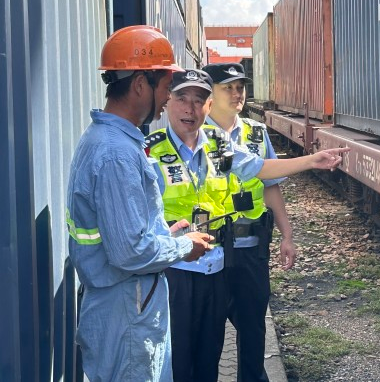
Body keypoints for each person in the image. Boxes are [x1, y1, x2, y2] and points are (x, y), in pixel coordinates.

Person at [66, 25, 214, 382]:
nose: (167, 100)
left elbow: (122, 231)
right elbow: (129, 252)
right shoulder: (116, 154)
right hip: (126, 313)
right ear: (138, 85)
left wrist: (161, 233)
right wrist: (182, 247)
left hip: (128, 306)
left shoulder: (112, 141)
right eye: (165, 88)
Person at [145, 69, 257, 382]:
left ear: (208, 108)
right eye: (182, 98)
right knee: (177, 360)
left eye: (199, 100)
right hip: (174, 274)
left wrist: (311, 160)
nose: (190, 109)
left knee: (210, 358)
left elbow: (261, 168)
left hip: (215, 269)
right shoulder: (147, 151)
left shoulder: (220, 148)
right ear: (167, 102)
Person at [203, 62, 294, 382]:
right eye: (227, 87)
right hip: (210, 253)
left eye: (239, 86)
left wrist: (287, 235)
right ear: (209, 93)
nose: (237, 92)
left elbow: (271, 185)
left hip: (252, 249)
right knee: (209, 337)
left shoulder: (256, 134)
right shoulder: (196, 136)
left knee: (254, 330)